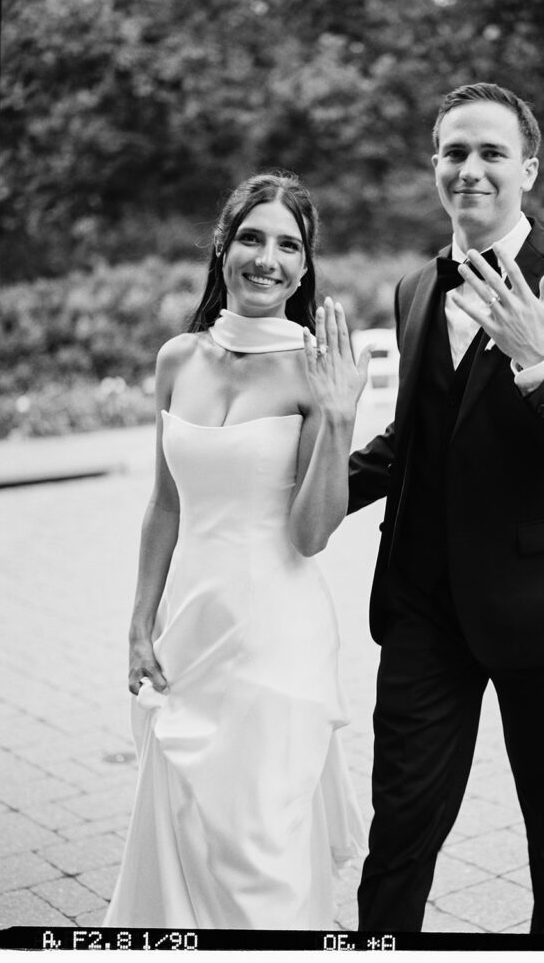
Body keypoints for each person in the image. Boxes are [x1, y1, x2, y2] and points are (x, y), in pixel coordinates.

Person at [348, 83, 544, 935]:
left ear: (528, 170)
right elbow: (417, 435)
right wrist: (312, 487)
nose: (469, 169)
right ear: (435, 166)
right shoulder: (411, 290)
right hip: (423, 602)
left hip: (542, 598)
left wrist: (539, 360)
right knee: (398, 821)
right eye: (453, 152)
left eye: (490, 153)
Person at [104, 171, 370, 929]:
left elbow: (311, 534)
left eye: (289, 245)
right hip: (188, 638)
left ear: (305, 265)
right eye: (252, 237)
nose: (268, 258)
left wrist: (341, 421)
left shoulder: (315, 370)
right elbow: (163, 502)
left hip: (274, 646)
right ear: (223, 245)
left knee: (263, 857)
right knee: (183, 840)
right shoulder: (177, 359)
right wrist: (137, 624)